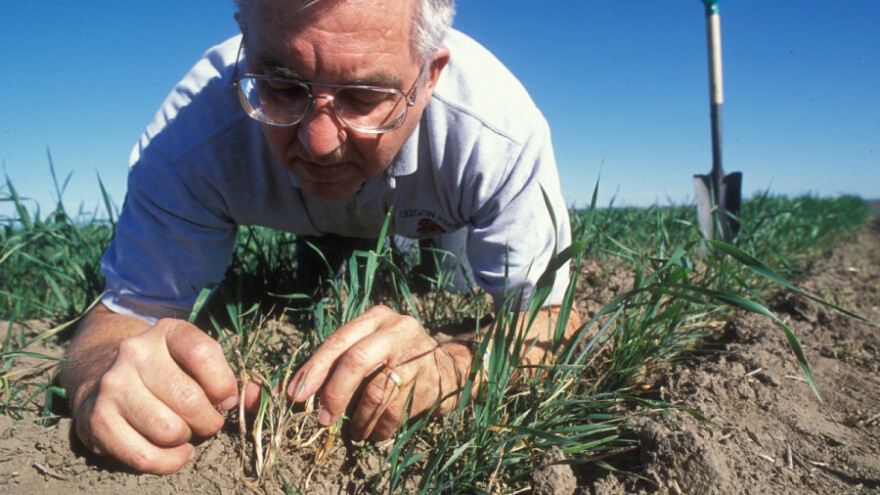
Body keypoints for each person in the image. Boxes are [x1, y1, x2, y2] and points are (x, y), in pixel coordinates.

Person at [58, 0, 581, 474]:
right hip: (304, 218)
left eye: (365, 96)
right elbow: (124, 315)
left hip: (434, 213)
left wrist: (456, 363)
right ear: (246, 42)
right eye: (282, 87)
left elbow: (552, 319)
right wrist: (96, 376)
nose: (319, 142)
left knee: (448, 277)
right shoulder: (189, 140)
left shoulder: (495, 135)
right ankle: (333, 246)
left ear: (430, 76)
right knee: (321, 276)